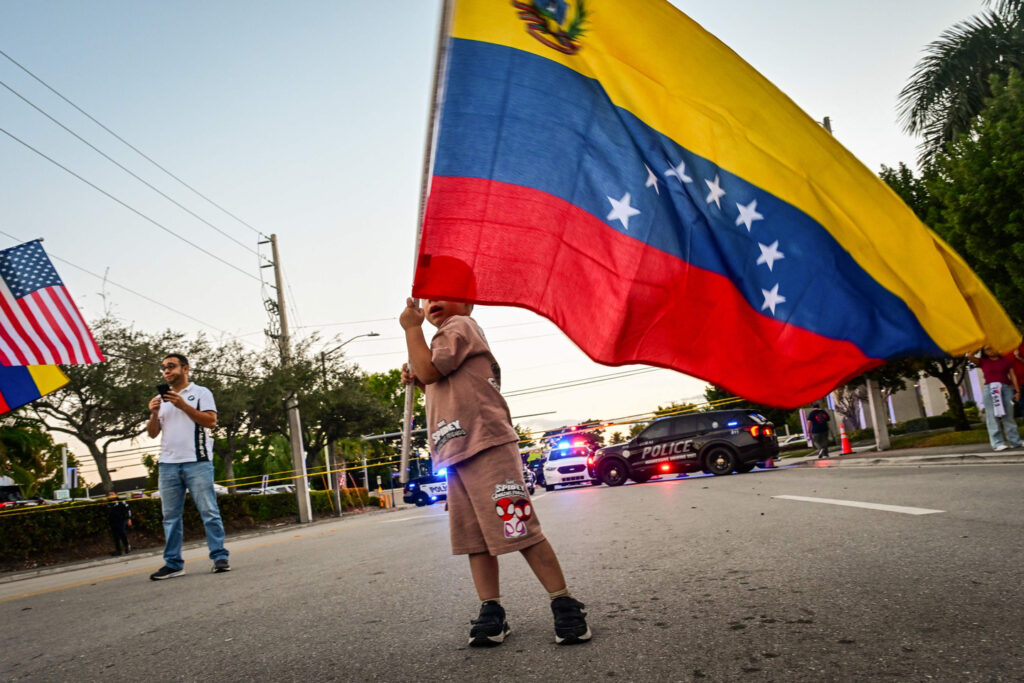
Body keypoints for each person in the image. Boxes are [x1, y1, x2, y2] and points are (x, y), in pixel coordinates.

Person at [400, 298, 591, 646]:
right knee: (475, 540)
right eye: (428, 297)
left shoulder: (459, 327)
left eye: (446, 291)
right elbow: (435, 380)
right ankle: (492, 610)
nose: (434, 300)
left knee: (519, 526)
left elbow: (431, 370)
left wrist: (412, 332)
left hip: (486, 444)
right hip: (457, 454)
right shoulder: (443, 341)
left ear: (468, 302)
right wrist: (418, 375)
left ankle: (563, 601)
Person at [145, 353, 230, 580]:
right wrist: (153, 414)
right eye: (164, 368)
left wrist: (182, 405)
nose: (166, 372)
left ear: (185, 369)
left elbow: (210, 421)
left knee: (209, 511)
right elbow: (153, 434)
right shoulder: (160, 399)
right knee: (170, 516)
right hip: (167, 465)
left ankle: (219, 556)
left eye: (171, 367)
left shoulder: (201, 393)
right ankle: (173, 563)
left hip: (197, 462)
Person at [967, 346, 1021, 451]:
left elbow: (1012, 375)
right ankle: (997, 442)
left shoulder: (1006, 361)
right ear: (984, 352)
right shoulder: (983, 362)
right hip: (990, 389)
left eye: (993, 348)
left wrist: (1017, 391)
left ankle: (1015, 441)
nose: (991, 350)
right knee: (992, 416)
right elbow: (969, 356)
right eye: (988, 349)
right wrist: (980, 344)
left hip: (1006, 388)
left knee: (1009, 415)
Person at [106, 491, 132, 556]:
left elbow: (128, 510)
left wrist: (129, 519)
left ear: (116, 494)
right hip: (113, 521)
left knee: (122, 533)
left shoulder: (121, 502)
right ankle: (118, 550)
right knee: (115, 536)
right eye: (110, 495)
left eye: (112, 494)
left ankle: (127, 546)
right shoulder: (109, 503)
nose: (111, 495)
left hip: (121, 520)